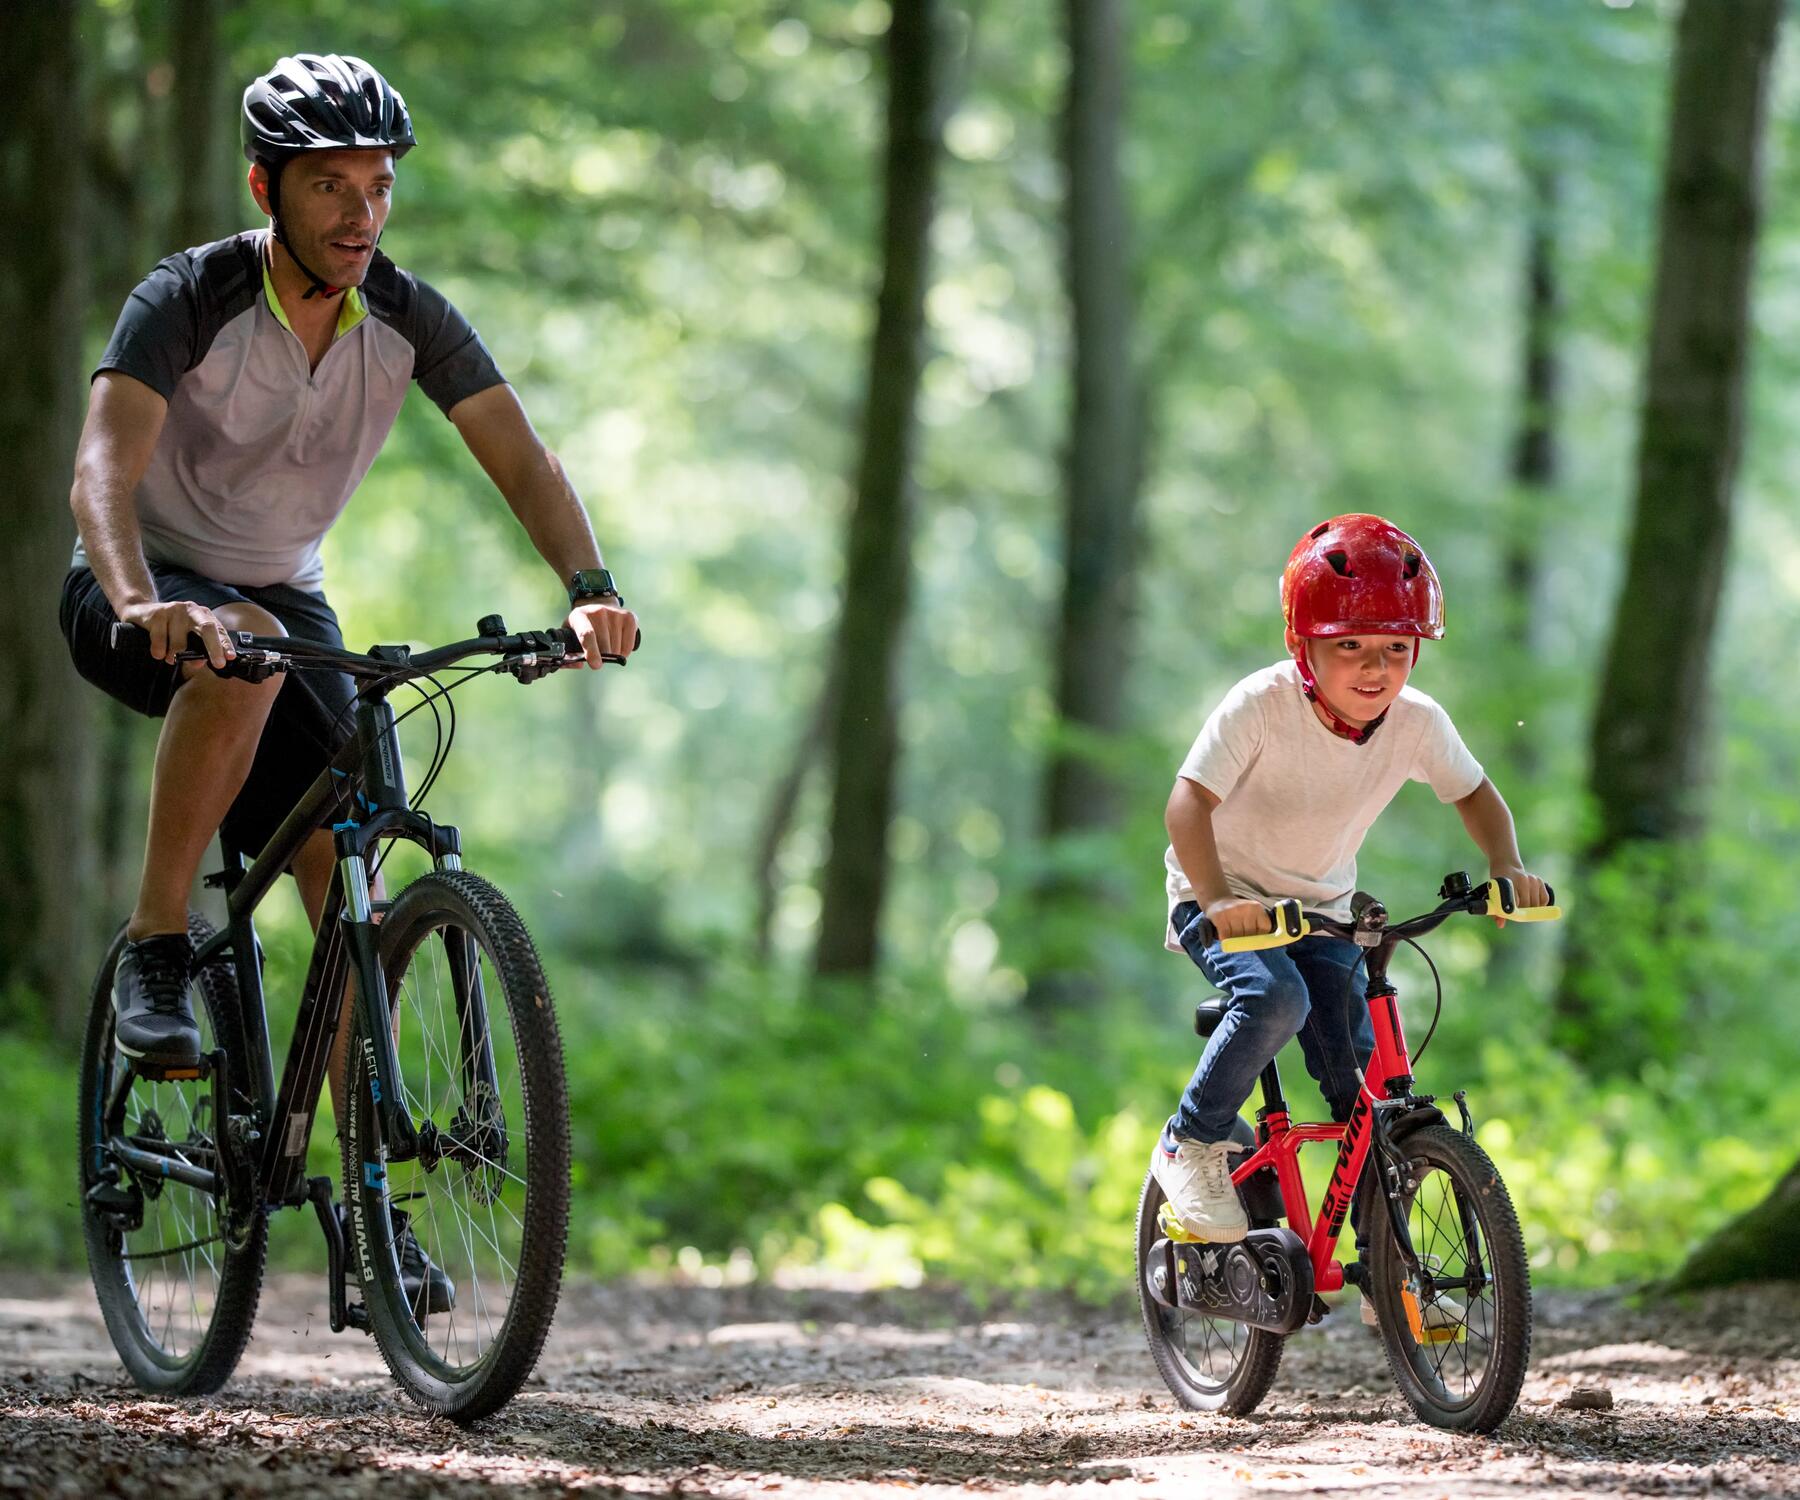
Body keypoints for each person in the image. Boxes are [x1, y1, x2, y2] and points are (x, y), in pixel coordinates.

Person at [61, 53, 637, 1309]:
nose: (360, 212)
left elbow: (520, 453)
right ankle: (161, 943)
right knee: (242, 667)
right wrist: (140, 600)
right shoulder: (191, 296)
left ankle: (370, 1215)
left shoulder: (407, 317)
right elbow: (102, 469)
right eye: (330, 186)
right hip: (137, 588)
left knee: (350, 876)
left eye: (377, 186)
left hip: (280, 600)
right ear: (266, 186)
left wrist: (588, 581)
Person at [1155, 514, 1547, 1323]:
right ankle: (1191, 1141)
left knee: (1359, 1087)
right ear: (1306, 648)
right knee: (1273, 1000)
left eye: (1396, 650)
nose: (1376, 670)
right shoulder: (1260, 707)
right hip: (1217, 898)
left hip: (1322, 912)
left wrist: (1506, 868)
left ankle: (1389, 1272)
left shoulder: (1416, 723)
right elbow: (1186, 803)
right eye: (1352, 648)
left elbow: (1475, 793)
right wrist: (1220, 898)